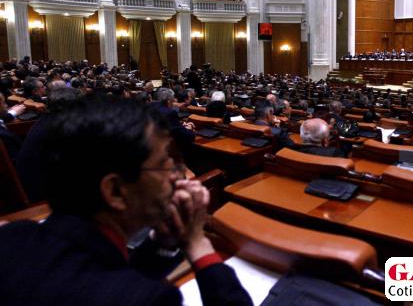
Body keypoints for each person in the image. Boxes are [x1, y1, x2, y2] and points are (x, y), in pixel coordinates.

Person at [0, 95, 251, 305]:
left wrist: (164, 242)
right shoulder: (150, 299)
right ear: (116, 191)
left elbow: (108, 275)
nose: (177, 177)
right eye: (164, 164)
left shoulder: (13, 235)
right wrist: (198, 244)